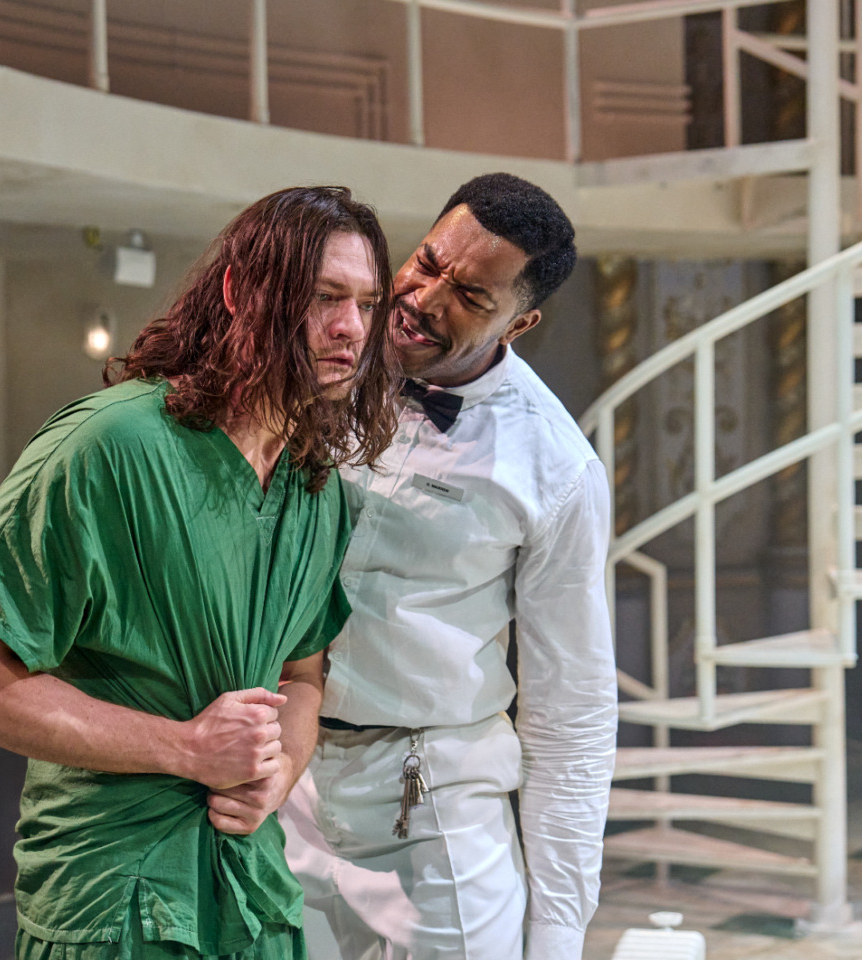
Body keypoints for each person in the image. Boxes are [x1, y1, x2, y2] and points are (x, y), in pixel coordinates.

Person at [0, 185, 400, 960]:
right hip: (114, 903)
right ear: (239, 293)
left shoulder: (315, 489)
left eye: (368, 304)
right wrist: (184, 748)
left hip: (251, 897)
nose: (352, 328)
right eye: (323, 297)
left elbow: (304, 674)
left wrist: (279, 773)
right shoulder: (110, 447)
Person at [210, 173, 617, 960]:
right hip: (281, 781)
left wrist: (559, 931)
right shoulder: (317, 372)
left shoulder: (557, 468)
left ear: (520, 322)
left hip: (432, 807)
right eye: (427, 262)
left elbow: (572, 711)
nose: (424, 298)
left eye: (470, 295)